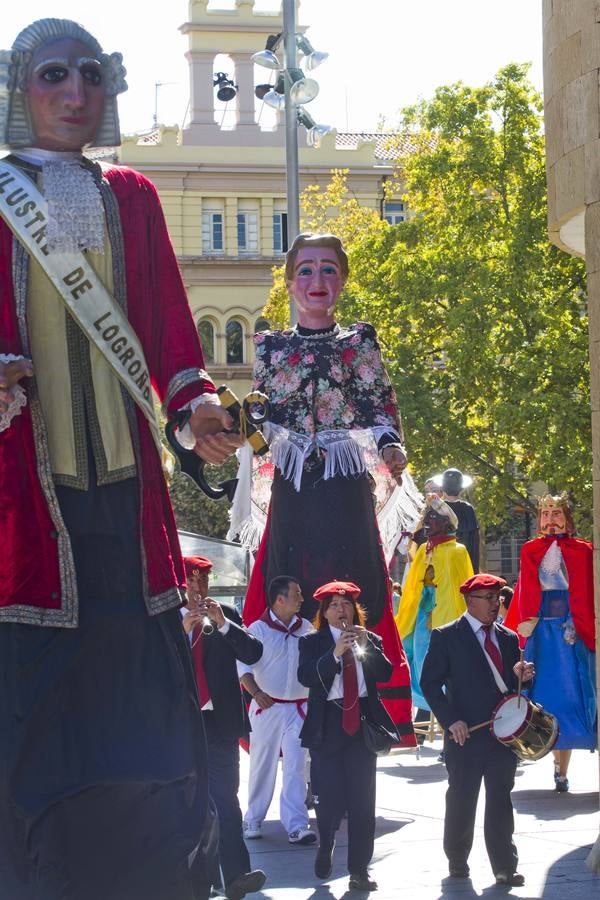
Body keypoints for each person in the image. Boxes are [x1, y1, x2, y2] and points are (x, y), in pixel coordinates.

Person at [0, 18, 241, 900]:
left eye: (91, 76)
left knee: (142, 735)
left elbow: (174, 339)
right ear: (18, 89)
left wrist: (198, 409)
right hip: (28, 511)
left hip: (130, 512)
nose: (74, 94)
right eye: (52, 75)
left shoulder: (134, 195)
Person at [232, 232, 421, 743]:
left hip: (343, 485)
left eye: (329, 269)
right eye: (308, 270)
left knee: (356, 583)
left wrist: (389, 446)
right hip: (295, 490)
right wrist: (247, 429)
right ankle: (289, 708)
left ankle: (360, 713)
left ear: (343, 279)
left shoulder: (359, 341)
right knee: (285, 581)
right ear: (291, 281)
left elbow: (379, 406)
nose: (318, 280)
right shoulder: (270, 345)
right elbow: (261, 416)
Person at [420, 574, 535, 887]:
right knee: (462, 797)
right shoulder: (446, 636)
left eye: (498, 598)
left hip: (502, 735)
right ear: (469, 601)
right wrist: (450, 719)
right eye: (488, 598)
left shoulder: (509, 638)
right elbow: (429, 683)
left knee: (500, 798)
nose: (495, 604)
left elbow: (514, 690)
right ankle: (457, 860)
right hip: (465, 734)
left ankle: (505, 866)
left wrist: (522, 676)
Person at [298, 581, 397, 893]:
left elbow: (385, 673)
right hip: (328, 726)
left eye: (346, 605)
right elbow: (305, 676)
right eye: (335, 605)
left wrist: (367, 646)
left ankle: (359, 870)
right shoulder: (312, 642)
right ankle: (325, 845)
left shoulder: (370, 638)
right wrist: (335, 653)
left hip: (362, 727)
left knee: (362, 803)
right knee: (328, 801)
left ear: (356, 610)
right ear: (324, 612)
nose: (341, 610)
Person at [182, 556, 266, 900]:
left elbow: (254, 652)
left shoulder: (225, 614)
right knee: (190, 805)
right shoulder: (164, 620)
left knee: (226, 802)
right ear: (179, 583)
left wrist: (224, 624)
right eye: (192, 581)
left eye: (204, 581)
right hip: (183, 724)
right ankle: (199, 881)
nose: (199, 588)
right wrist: (181, 631)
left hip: (219, 722)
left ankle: (236, 877)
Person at [504, 493, 597, 791]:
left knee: (573, 696)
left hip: (572, 632)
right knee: (542, 697)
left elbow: (585, 591)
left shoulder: (584, 551)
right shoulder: (531, 549)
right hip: (540, 632)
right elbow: (526, 591)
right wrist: (524, 624)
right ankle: (546, 756)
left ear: (567, 517)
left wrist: (578, 623)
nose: (550, 518)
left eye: (556, 512)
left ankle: (563, 766)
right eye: (545, 513)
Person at [237, 576, 317, 845]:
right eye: (297, 594)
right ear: (280, 599)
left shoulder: (306, 628)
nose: (302, 599)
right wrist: (256, 694)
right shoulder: (257, 630)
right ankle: (253, 818)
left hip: (299, 708)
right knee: (262, 764)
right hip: (266, 707)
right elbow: (243, 669)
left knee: (295, 765)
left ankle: (296, 824)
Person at [395, 495, 473, 713]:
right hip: (421, 613)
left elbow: (460, 588)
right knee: (418, 656)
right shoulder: (422, 550)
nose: (427, 521)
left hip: (444, 616)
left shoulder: (457, 551)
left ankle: (445, 702)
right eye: (427, 516)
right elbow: (412, 587)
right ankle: (427, 701)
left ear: (446, 522)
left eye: (433, 516)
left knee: (440, 660)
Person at [432, 468, 480, 570]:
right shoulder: (468, 509)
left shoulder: (435, 508)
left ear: (442, 488)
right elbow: (474, 544)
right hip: (462, 564)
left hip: (439, 565)